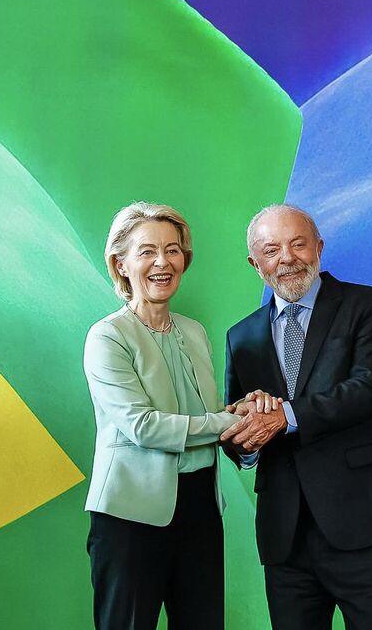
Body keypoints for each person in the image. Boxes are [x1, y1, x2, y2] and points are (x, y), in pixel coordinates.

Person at [219, 204, 372, 629]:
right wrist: (243, 439)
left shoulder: (369, 306)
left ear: (318, 247)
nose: (287, 258)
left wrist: (285, 416)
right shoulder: (241, 336)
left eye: (298, 244)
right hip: (286, 535)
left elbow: (368, 390)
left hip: (365, 521)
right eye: (272, 249)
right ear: (254, 262)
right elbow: (239, 422)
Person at [83, 201, 280, 630]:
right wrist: (230, 421)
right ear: (120, 263)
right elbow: (142, 426)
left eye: (173, 250)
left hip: (200, 509)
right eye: (147, 251)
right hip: (129, 514)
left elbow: (205, 417)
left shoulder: (194, 331)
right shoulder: (107, 336)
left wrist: (245, 420)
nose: (163, 262)